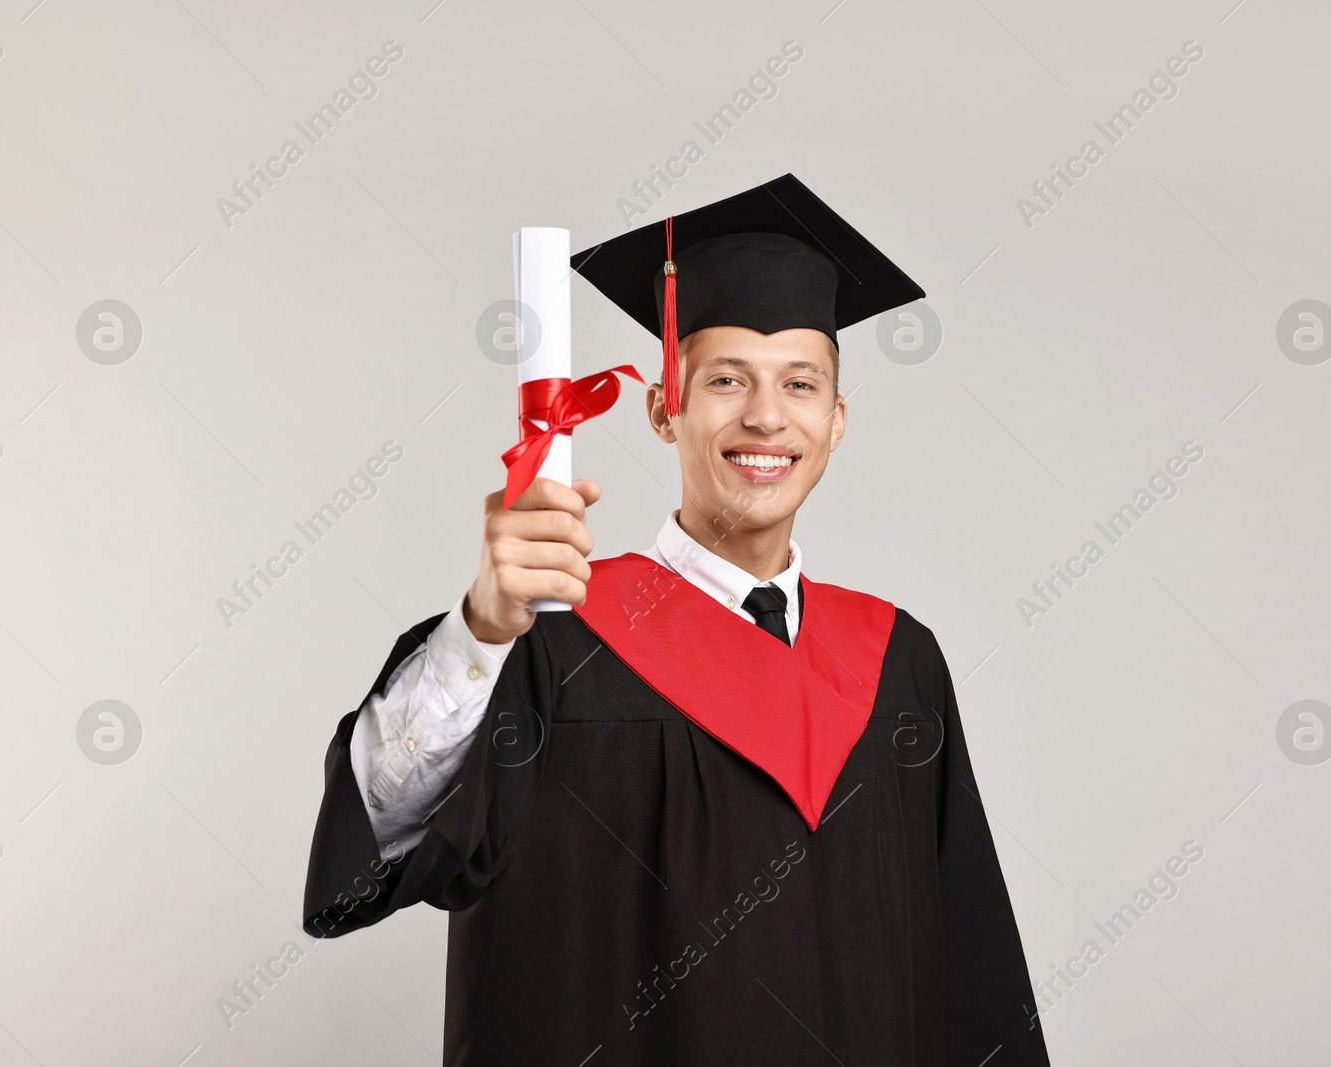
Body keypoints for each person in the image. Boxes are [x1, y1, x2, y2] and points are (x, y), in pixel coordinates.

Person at [303, 174, 1053, 1065]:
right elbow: (380, 842)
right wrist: (482, 628)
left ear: (838, 420)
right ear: (665, 409)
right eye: (727, 379)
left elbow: (967, 964)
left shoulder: (900, 664)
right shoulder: (555, 638)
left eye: (801, 384)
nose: (767, 416)